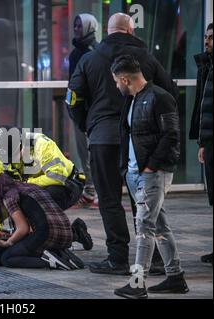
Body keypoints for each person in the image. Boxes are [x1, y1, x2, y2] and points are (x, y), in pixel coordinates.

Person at [67, 13, 178, 275]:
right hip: (139, 139)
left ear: (108, 31)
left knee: (108, 199)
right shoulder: (147, 58)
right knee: (147, 200)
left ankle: (117, 258)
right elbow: (170, 92)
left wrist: (87, 124)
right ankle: (158, 259)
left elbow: (72, 99)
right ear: (130, 30)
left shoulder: (89, 58)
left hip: (103, 138)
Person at [112, 55, 189, 298]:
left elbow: (171, 137)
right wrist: (129, 169)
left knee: (143, 227)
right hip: (137, 173)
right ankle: (175, 278)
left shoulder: (160, 97)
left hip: (152, 175)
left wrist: (151, 167)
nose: (116, 86)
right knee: (159, 226)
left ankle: (137, 284)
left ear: (125, 78)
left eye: (116, 81)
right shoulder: (133, 100)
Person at [0, 127, 93, 251]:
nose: (11, 160)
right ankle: (74, 232)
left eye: (14, 155)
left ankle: (68, 235)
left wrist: (26, 184)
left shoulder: (41, 144)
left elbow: (57, 176)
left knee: (40, 206)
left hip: (67, 186)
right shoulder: (1, 157)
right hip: (35, 190)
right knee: (18, 203)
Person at [0, 174, 84, 270]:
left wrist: (8, 242)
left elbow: (23, 229)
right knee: (22, 244)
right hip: (67, 233)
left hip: (47, 235)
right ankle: (58, 253)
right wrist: (9, 236)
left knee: (6, 258)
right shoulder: (30, 187)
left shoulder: (9, 196)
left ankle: (50, 262)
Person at [68, 13, 99, 208]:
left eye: (80, 26)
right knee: (83, 153)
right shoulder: (77, 52)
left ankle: (95, 192)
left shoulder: (95, 51)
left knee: (92, 154)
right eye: (75, 25)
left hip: (91, 111)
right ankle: (90, 191)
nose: (76, 29)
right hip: (80, 111)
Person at [190, 23, 213, 265]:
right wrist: (202, 142)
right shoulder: (206, 66)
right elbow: (204, 108)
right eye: (206, 37)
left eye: (212, 38)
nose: (207, 42)